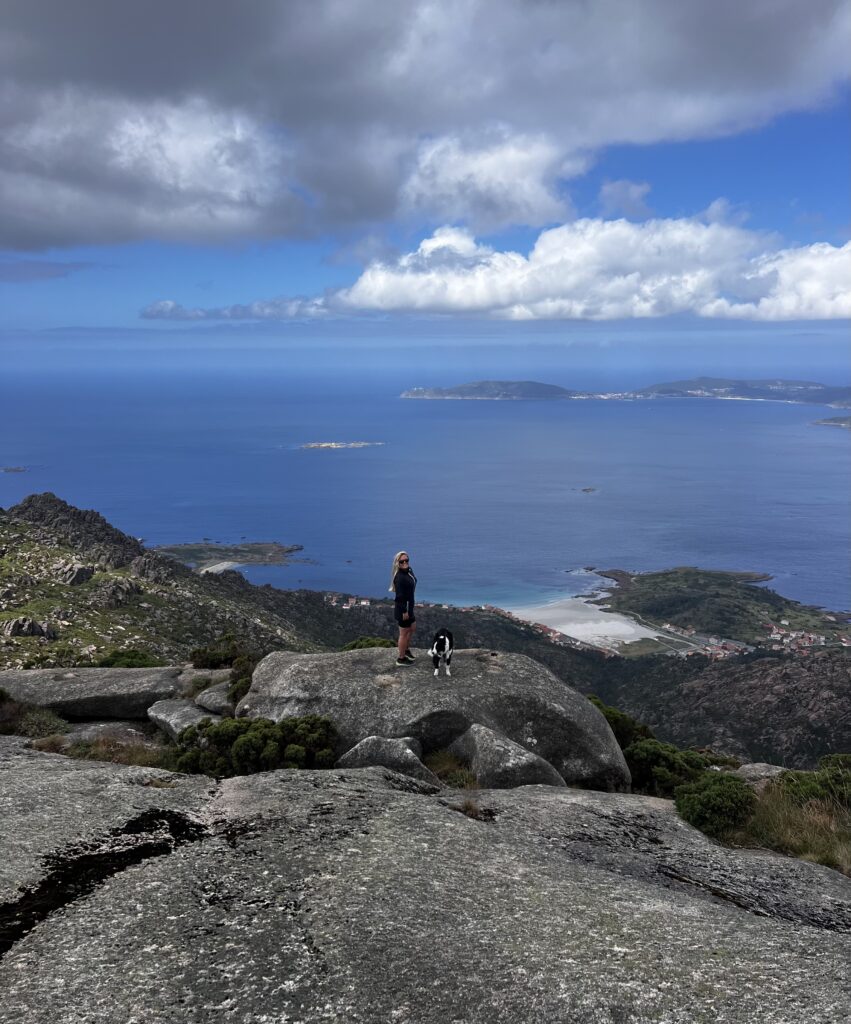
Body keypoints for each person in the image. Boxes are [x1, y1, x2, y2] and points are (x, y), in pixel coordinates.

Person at [389, 550, 417, 666]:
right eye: (402, 561)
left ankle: (406, 649)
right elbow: (399, 598)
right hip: (403, 610)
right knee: (403, 633)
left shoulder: (408, 571)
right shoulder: (399, 578)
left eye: (407, 560)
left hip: (409, 607)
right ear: (397, 563)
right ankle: (401, 659)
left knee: (412, 628)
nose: (405, 562)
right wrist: (405, 611)